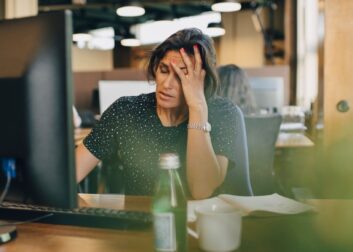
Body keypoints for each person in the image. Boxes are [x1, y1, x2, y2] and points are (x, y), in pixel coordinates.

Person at [75, 28, 239, 199]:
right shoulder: (126, 110)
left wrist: (197, 107)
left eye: (182, 76)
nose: (167, 84)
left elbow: (202, 191)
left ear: (203, 81)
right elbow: (72, 172)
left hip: (202, 223)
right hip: (139, 221)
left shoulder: (222, 112)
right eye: (164, 70)